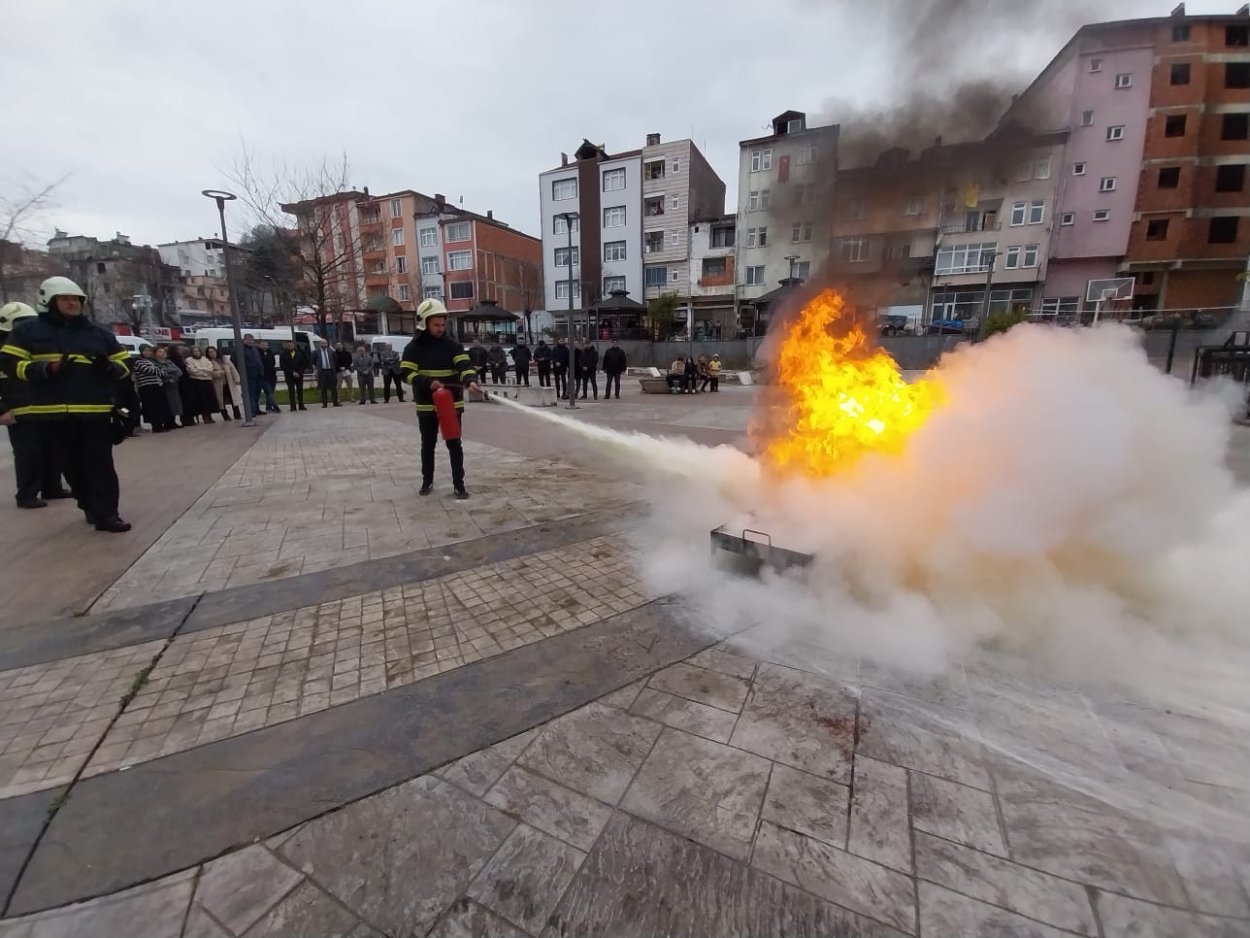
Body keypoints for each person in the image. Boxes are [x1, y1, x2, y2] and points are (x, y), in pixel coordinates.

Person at [0, 277, 132, 531]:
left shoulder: (98, 334)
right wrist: (46, 369)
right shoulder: (26, 333)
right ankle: (88, 504)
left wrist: (110, 368)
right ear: (48, 301)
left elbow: (126, 364)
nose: (72, 303)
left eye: (76, 299)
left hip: (95, 412)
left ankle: (107, 515)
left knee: (101, 466)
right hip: (51, 414)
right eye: (65, 299)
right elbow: (10, 365)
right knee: (71, 467)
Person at [400, 298, 481, 500]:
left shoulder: (452, 346)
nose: (440, 328)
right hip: (427, 405)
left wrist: (470, 380)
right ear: (424, 323)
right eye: (436, 324)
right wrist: (427, 382)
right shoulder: (413, 348)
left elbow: (464, 366)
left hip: (452, 404)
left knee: (454, 444)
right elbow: (405, 374)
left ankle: (459, 485)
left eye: (442, 324)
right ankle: (427, 481)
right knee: (427, 444)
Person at [0, 300, 69, 507]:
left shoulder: (33, 342)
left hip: (45, 407)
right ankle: (27, 494)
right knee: (28, 453)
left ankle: (52, 487)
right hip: (18, 410)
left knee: (53, 449)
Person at [134, 345, 174, 432]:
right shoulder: (138, 362)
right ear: (141, 352)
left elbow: (163, 372)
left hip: (157, 385)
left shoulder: (151, 361)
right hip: (147, 387)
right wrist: (158, 370)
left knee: (160, 406)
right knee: (152, 407)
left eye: (149, 351)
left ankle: (162, 424)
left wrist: (158, 371)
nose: (147, 352)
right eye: (145, 351)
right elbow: (148, 371)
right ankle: (156, 426)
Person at [208, 346, 242, 420]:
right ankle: (225, 416)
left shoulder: (224, 359)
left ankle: (237, 414)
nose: (212, 353)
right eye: (210, 352)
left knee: (233, 399)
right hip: (218, 384)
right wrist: (218, 373)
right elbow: (209, 373)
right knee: (221, 401)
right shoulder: (208, 362)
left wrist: (237, 379)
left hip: (229, 383)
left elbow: (232, 368)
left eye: (213, 351)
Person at [185, 346, 217, 423]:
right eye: (194, 351)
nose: (196, 352)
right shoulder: (189, 360)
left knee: (209, 400)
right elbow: (193, 371)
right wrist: (204, 372)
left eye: (198, 351)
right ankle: (204, 416)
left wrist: (201, 369)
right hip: (197, 382)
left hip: (207, 381)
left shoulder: (205, 359)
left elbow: (210, 368)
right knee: (202, 400)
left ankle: (209, 416)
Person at [167, 344, 195, 425]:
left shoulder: (181, 359)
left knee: (188, 401)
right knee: (183, 402)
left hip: (186, 382)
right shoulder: (172, 360)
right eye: (178, 349)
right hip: (180, 383)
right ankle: (184, 419)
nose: (180, 351)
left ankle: (189, 419)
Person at [279, 340, 309, 412]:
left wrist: (299, 372)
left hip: (299, 375)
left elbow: (303, 364)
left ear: (294, 345)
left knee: (300, 390)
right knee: (291, 390)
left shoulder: (299, 353)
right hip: (289, 376)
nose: (290, 347)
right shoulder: (283, 354)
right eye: (288, 345)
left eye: (291, 345)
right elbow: (283, 365)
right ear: (286, 346)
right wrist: (292, 372)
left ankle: (301, 405)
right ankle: (293, 407)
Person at [240, 334, 265, 417]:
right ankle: (251, 411)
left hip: (258, 374)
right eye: (248, 340)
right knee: (251, 393)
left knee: (257, 393)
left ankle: (256, 409)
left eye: (252, 340)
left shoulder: (254, 349)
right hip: (249, 375)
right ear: (244, 340)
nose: (251, 341)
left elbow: (258, 360)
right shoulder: (241, 350)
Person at [313, 338, 340, 407]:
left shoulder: (331, 351)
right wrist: (316, 370)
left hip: (331, 371)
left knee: (333, 388)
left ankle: (335, 402)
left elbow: (335, 360)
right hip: (322, 372)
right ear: (320, 344)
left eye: (325, 343)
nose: (324, 344)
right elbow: (313, 362)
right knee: (323, 388)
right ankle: (324, 403)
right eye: (322, 343)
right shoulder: (316, 352)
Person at [258, 341, 280, 413]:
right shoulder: (257, 353)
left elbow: (273, 362)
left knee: (271, 392)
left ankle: (269, 407)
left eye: (266, 345)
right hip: (263, 376)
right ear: (260, 345)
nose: (264, 346)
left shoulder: (271, 353)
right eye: (263, 345)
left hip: (272, 376)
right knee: (269, 392)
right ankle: (275, 405)